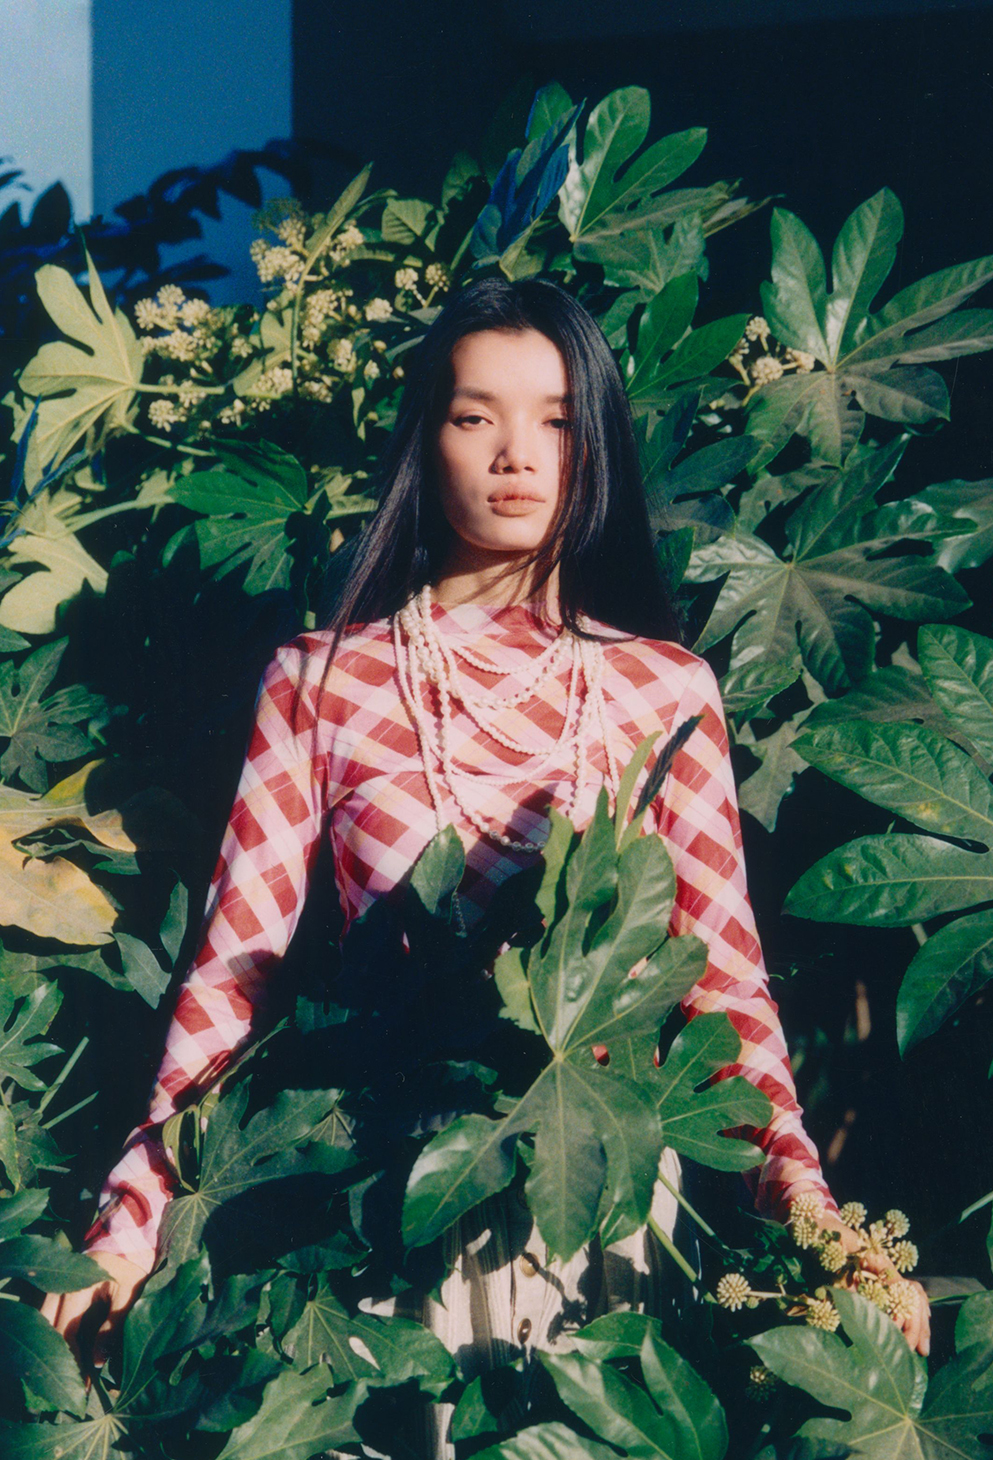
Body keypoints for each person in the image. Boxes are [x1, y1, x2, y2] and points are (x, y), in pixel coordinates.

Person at [42, 275, 931, 1420]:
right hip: (386, 1207)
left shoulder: (665, 691)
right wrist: (130, 1222)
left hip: (602, 1213)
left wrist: (815, 1226)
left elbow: (727, 991)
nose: (516, 453)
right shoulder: (322, 679)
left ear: (594, 444)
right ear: (426, 438)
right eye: (475, 416)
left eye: (554, 419)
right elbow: (232, 977)